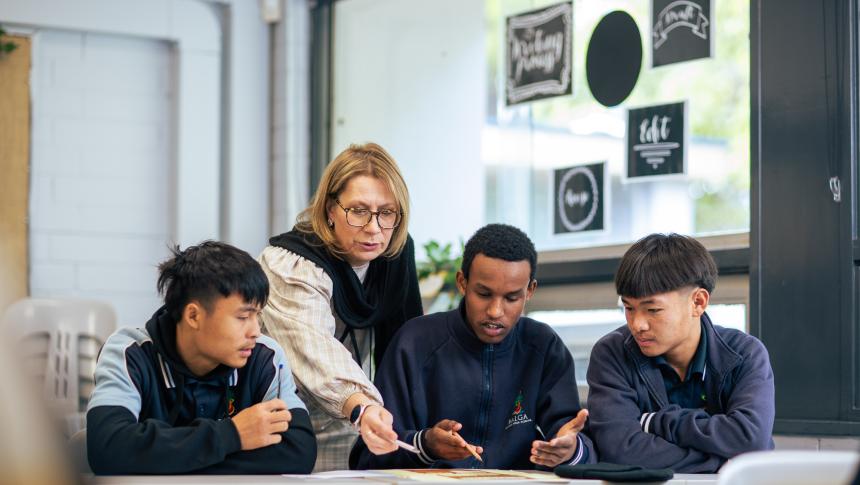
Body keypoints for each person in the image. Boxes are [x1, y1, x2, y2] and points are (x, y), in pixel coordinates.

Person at [350, 223, 595, 470]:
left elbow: (571, 441)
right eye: (484, 294)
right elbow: (368, 458)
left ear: (530, 291)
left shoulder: (543, 348)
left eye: (511, 298)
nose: (495, 312)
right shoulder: (413, 344)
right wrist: (425, 445)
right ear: (462, 282)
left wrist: (571, 450)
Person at [259, 142, 423, 471]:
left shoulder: (393, 258)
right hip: (290, 430)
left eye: (386, 212)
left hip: (365, 428)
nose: (374, 228)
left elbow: (409, 345)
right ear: (331, 209)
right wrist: (362, 406)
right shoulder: (291, 263)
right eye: (359, 210)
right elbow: (313, 347)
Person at [86, 241, 316, 474]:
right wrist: (233, 435)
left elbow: (298, 452)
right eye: (243, 317)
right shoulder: (129, 353)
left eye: (258, 315)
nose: (255, 331)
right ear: (194, 316)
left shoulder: (265, 357)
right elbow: (108, 449)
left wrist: (168, 458)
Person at [586, 233, 774, 472]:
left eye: (652, 310)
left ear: (698, 302)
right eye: (628, 308)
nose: (637, 324)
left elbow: (751, 438)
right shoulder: (611, 353)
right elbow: (621, 450)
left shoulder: (745, 354)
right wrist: (723, 463)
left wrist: (655, 422)